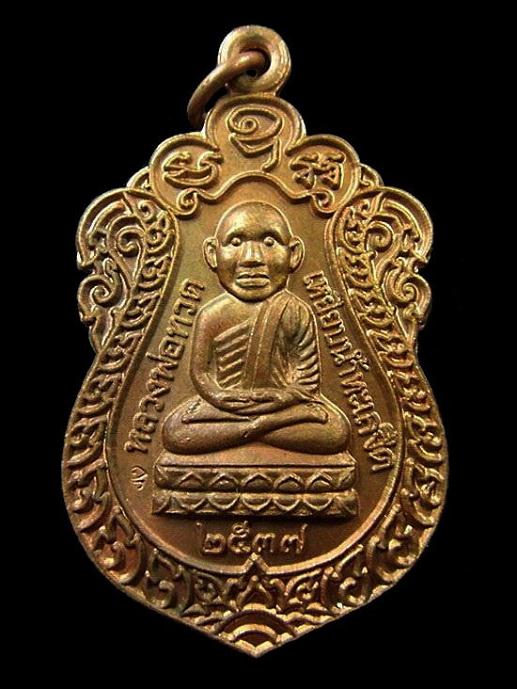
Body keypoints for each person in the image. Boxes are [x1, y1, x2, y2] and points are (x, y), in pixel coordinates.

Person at [162, 200, 350, 455]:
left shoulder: (296, 310)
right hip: (225, 409)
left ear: (294, 254)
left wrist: (282, 398)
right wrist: (220, 397)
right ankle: (260, 429)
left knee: (335, 430)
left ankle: (252, 429)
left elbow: (307, 382)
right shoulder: (210, 315)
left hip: (282, 408)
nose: (252, 258)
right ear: (212, 254)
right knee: (175, 430)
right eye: (236, 242)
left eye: (269, 242)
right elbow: (201, 373)